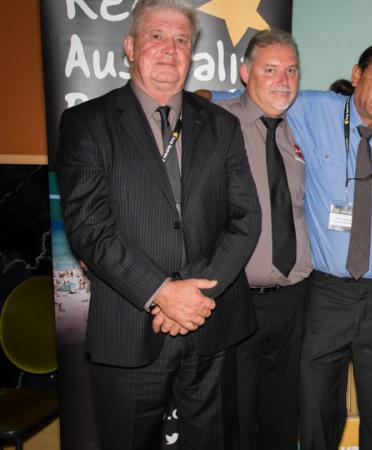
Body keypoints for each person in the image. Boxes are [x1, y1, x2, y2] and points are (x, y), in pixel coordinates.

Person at [54, 1, 261, 449]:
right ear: (130, 46)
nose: (170, 49)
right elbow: (89, 227)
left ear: (192, 53)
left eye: (181, 40)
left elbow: (246, 218)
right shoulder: (86, 123)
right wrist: (163, 294)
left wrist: (195, 295)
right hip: (129, 328)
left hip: (212, 323)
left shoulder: (222, 126)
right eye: (156, 37)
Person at [285, 44, 372, 450]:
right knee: (318, 400)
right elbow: (246, 99)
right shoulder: (310, 109)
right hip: (327, 291)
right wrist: (195, 99)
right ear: (357, 75)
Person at [217, 29, 309, 450]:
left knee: (282, 413)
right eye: (270, 69)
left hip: (295, 299)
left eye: (291, 70)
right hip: (237, 298)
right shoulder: (216, 125)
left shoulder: (304, 129)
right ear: (244, 72)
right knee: (236, 414)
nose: (283, 80)